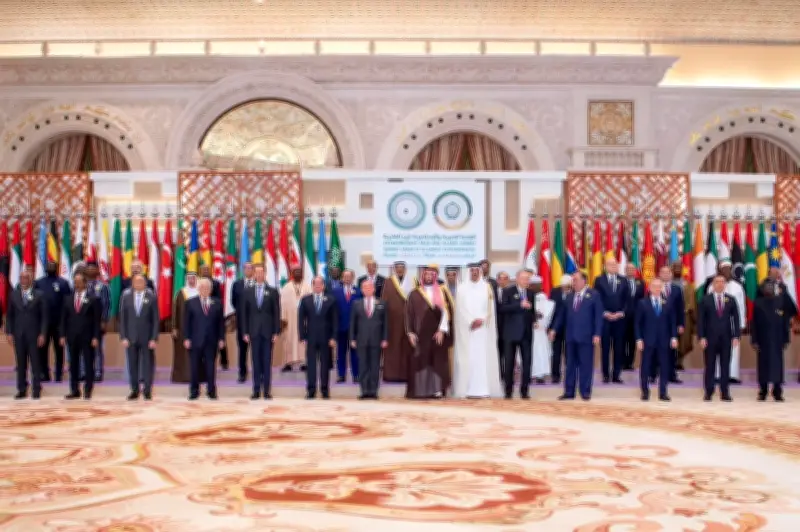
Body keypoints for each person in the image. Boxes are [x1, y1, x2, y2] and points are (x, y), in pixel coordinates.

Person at [549, 272, 603, 401]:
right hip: (570, 336)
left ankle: (585, 391)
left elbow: (598, 316)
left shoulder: (594, 295)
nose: (573, 283)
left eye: (576, 280)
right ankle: (569, 391)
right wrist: (554, 329)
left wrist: (597, 333)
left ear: (584, 281)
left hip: (586, 336)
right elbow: (561, 315)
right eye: (573, 280)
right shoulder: (569, 296)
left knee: (586, 364)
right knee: (570, 365)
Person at [452, 263, 501, 398]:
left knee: (482, 359)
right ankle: (467, 390)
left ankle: (483, 389)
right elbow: (459, 309)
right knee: (468, 359)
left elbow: (491, 309)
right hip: (467, 331)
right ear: (468, 272)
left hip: (483, 330)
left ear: (480, 272)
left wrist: (482, 320)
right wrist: (470, 321)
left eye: (476, 270)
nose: (474, 273)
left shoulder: (487, 288)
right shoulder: (462, 289)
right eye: (472, 270)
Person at [405, 265, 454, 399]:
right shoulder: (414, 293)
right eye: (426, 274)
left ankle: (437, 390)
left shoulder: (441, 292)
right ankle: (421, 390)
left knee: (437, 362)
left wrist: (442, 330)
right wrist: (410, 332)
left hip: (436, 334)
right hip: (420, 334)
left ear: (435, 277)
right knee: (422, 362)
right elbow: (409, 314)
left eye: (431, 275)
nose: (428, 277)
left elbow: (446, 313)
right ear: (423, 276)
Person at [698, 274, 741, 402]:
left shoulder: (731, 299)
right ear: (713, 284)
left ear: (725, 285)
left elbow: (736, 319)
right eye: (717, 282)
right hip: (710, 339)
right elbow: (701, 320)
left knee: (725, 366)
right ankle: (709, 392)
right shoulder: (705, 300)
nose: (720, 284)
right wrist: (701, 337)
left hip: (726, 339)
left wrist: (736, 336)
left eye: (722, 282)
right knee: (710, 365)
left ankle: (725, 392)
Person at [5, 271, 46, 399]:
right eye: (21, 278)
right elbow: (10, 316)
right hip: (19, 334)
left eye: (26, 278)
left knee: (35, 362)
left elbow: (44, 317)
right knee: (21, 363)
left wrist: (42, 333)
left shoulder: (39, 295)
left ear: (31, 280)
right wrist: (9, 332)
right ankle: (22, 389)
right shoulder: (14, 295)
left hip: (34, 334)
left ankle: (36, 389)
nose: (23, 280)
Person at [242, 264, 281, 400]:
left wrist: (276, 332)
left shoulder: (273, 291)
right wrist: (245, 332)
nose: (259, 275)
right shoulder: (248, 291)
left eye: (261, 272)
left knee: (266, 361)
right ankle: (256, 390)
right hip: (253, 332)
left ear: (265, 274)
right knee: (256, 361)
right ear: (254, 274)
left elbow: (277, 312)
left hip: (268, 332)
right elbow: (244, 314)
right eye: (257, 272)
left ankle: (267, 391)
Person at [635, 278, 677, 402]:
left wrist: (674, 337)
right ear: (650, 288)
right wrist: (638, 339)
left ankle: (663, 392)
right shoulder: (643, 303)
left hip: (664, 340)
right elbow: (637, 323)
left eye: (659, 287)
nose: (657, 289)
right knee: (646, 366)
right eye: (655, 286)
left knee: (664, 366)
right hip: (647, 340)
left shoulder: (667, 303)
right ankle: (645, 392)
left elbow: (672, 322)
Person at [60, 272, 101, 400]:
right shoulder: (67, 299)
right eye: (75, 282)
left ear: (85, 283)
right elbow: (63, 319)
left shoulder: (93, 299)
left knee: (88, 364)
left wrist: (96, 337)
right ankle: (74, 390)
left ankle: (88, 390)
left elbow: (96, 321)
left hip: (88, 337)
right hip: (72, 337)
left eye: (79, 282)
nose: (77, 284)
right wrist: (62, 335)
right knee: (73, 364)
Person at [183, 278, 225, 400]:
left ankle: (211, 391)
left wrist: (221, 338)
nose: (205, 290)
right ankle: (194, 391)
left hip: (211, 341)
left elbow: (220, 323)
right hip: (195, 340)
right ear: (198, 289)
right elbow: (186, 323)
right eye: (202, 287)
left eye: (207, 288)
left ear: (211, 290)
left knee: (211, 367)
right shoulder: (190, 302)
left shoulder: (217, 303)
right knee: (194, 367)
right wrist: (187, 338)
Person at [119, 274, 160, 400]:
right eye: (136, 282)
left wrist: (154, 338)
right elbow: (122, 318)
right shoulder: (126, 296)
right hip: (130, 337)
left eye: (141, 282)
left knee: (147, 364)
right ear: (132, 283)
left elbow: (155, 319)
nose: (138, 284)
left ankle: (147, 390)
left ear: (145, 283)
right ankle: (134, 390)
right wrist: (123, 337)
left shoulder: (151, 296)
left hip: (147, 337)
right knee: (132, 365)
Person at [751, 279, 791, 401]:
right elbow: (754, 323)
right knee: (763, 366)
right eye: (766, 286)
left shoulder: (781, 301)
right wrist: (754, 340)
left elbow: (785, 322)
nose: (768, 288)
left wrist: (786, 339)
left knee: (777, 366)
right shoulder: (758, 303)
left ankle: (777, 392)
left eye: (771, 286)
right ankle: (763, 391)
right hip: (762, 340)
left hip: (778, 339)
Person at [707, 260, 746, 384]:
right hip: (715, 326)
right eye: (724, 269)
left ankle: (732, 375)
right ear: (720, 270)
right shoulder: (711, 287)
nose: (727, 271)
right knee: (716, 351)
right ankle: (717, 376)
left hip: (732, 325)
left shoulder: (737, 286)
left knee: (733, 351)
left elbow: (741, 307)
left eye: (729, 269)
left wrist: (741, 325)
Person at [299, 276, 338, 399]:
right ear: (312, 286)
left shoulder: (331, 300)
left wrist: (333, 337)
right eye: (315, 284)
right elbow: (301, 319)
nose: (317, 286)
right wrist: (302, 336)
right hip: (310, 337)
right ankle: (311, 390)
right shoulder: (305, 300)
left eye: (319, 284)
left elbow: (335, 320)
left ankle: (325, 390)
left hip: (326, 338)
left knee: (325, 364)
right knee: (311, 365)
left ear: (323, 286)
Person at [498, 269, 535, 399]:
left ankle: (525, 391)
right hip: (510, 333)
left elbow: (532, 311)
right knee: (509, 363)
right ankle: (508, 391)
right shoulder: (508, 291)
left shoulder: (531, 293)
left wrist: (534, 318)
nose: (526, 281)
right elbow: (502, 308)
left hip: (526, 334)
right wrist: (519, 305)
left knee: (527, 363)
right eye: (524, 278)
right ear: (517, 279)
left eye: (528, 279)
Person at [349, 279, 388, 399]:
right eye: (365, 288)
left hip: (377, 340)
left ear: (374, 289)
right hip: (361, 340)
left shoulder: (382, 303)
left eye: (370, 287)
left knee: (375, 366)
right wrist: (352, 339)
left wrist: (385, 339)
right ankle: (364, 391)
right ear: (362, 290)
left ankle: (373, 391)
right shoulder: (356, 304)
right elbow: (353, 323)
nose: (367, 290)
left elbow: (386, 323)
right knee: (363, 366)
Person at [34, 261, 71, 382]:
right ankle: (44, 374)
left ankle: (59, 374)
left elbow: (68, 302)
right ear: (45, 268)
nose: (50, 267)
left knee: (59, 350)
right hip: (43, 324)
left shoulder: (63, 283)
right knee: (42, 350)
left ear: (57, 267)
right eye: (48, 265)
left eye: (53, 265)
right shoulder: (38, 283)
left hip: (59, 323)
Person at [594, 257, 629, 383]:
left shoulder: (623, 280)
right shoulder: (599, 280)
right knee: (605, 348)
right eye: (610, 264)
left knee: (619, 348)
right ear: (605, 266)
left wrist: (621, 312)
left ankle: (616, 375)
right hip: (605, 319)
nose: (613, 266)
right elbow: (597, 299)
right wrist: (604, 312)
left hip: (619, 320)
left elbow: (627, 300)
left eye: (615, 264)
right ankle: (605, 374)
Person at [381, 260, 417, 382]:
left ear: (405, 269)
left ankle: (406, 375)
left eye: (402, 267)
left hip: (409, 321)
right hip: (392, 321)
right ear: (394, 269)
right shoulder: (388, 281)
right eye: (397, 267)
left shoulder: (413, 281)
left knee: (407, 347)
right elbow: (384, 301)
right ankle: (391, 375)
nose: (400, 269)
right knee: (393, 347)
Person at [654, 265, 685, 384]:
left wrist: (681, 324)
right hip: (657, 325)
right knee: (656, 349)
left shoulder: (677, 289)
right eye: (663, 272)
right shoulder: (654, 287)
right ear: (659, 274)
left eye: (668, 272)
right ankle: (654, 373)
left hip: (673, 325)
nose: (665, 275)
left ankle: (671, 374)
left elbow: (680, 308)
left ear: (671, 274)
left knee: (672, 350)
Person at [279, 264, 311, 372]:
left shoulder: (308, 287)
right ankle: (288, 363)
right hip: (289, 320)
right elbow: (282, 304)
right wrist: (282, 319)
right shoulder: (286, 287)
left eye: (299, 271)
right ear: (292, 274)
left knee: (303, 341)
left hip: (304, 320)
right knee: (288, 340)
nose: (297, 273)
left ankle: (304, 362)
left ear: (302, 274)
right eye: (295, 272)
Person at [333, 269, 361, 383]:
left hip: (355, 328)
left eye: (349, 276)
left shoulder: (359, 291)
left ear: (353, 278)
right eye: (345, 276)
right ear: (342, 278)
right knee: (341, 352)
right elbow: (333, 310)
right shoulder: (336, 292)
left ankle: (356, 375)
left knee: (355, 352)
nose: (347, 279)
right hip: (341, 327)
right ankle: (341, 375)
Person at [171, 271, 200, 383]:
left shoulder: (200, 292)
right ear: (186, 280)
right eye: (189, 278)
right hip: (182, 328)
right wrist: (174, 327)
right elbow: (175, 311)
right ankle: (182, 376)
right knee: (182, 354)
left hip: (198, 328)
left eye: (193, 278)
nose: (191, 280)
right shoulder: (181, 293)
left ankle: (198, 376)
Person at [84, 261, 110, 382]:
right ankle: (84, 372)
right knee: (84, 348)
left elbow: (106, 304)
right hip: (84, 323)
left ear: (97, 271)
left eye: (93, 268)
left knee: (97, 348)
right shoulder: (81, 285)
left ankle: (98, 372)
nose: (90, 270)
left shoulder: (103, 286)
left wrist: (104, 320)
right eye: (88, 268)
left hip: (97, 322)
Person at [199, 264, 227, 370]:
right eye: (204, 270)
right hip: (201, 314)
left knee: (220, 338)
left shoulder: (215, 283)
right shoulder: (198, 283)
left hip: (214, 313)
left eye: (207, 269)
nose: (205, 271)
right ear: (200, 271)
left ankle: (224, 361)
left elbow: (219, 299)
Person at [231, 262, 254, 382]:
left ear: (253, 270)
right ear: (243, 270)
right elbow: (234, 302)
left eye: (250, 268)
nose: (248, 270)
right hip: (242, 323)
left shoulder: (258, 284)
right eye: (246, 268)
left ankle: (258, 373)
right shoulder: (237, 284)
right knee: (242, 350)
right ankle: (242, 373)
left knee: (257, 350)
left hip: (256, 322)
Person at [672, 261, 695, 372]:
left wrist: (687, 309)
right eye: (675, 267)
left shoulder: (688, 285)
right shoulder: (667, 284)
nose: (677, 269)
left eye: (679, 267)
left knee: (684, 340)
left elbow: (692, 302)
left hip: (685, 316)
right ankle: (671, 361)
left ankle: (679, 362)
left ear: (682, 270)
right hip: (671, 316)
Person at [532, 279, 555, 385]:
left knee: (541, 352)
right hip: (530, 330)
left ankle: (540, 375)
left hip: (540, 331)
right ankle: (532, 373)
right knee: (531, 352)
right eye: (533, 285)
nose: (535, 287)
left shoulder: (543, 298)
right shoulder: (528, 297)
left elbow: (544, 315)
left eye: (537, 285)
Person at [549, 274, 571, 383]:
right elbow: (550, 309)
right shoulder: (554, 291)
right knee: (556, 352)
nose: (564, 288)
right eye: (563, 286)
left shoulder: (573, 292)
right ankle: (555, 375)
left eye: (567, 286)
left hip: (569, 327)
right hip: (556, 327)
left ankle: (569, 374)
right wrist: (551, 327)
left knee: (569, 353)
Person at [623, 263, 645, 371]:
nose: (631, 271)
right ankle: (622, 362)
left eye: (633, 269)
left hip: (636, 316)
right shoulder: (621, 282)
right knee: (623, 340)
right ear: (625, 270)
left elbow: (642, 299)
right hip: (623, 316)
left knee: (633, 340)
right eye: (629, 269)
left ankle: (630, 363)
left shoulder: (640, 283)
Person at [495, 271, 510, 380]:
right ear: (497, 280)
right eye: (501, 278)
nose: (503, 281)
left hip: (508, 327)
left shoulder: (512, 292)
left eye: (505, 278)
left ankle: (507, 374)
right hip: (495, 327)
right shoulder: (491, 292)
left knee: (508, 353)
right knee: (497, 352)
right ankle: (499, 373)